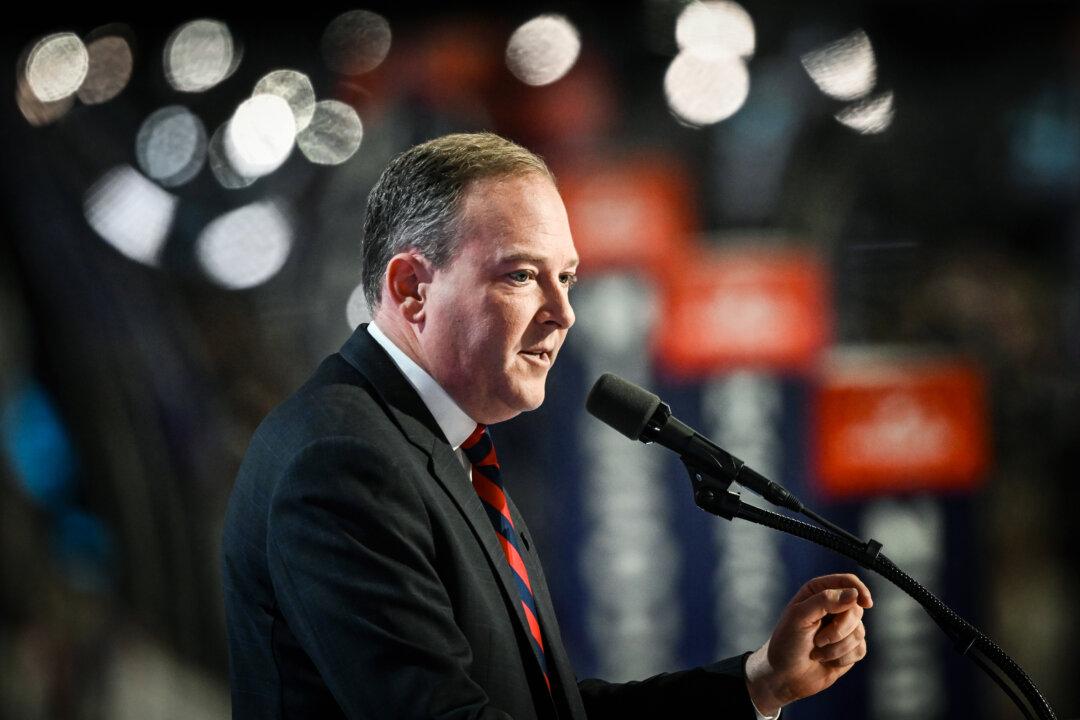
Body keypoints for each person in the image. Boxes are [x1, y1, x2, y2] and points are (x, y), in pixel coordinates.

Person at [221, 132, 872, 719]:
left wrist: (759, 683)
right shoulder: (345, 462)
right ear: (413, 288)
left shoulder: (440, 449)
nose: (564, 314)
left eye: (568, 278)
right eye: (523, 276)